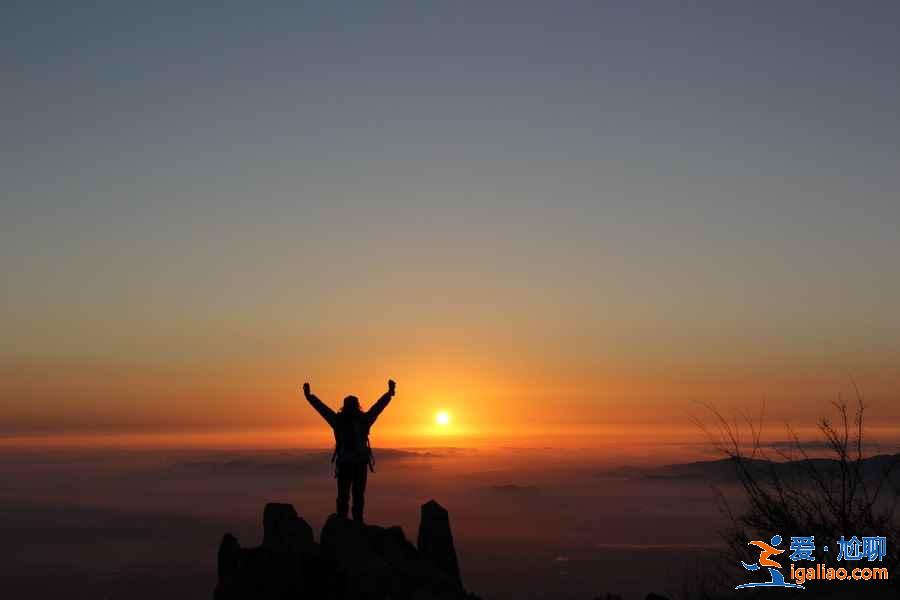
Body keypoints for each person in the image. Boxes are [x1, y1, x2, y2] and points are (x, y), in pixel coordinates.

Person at [302, 379, 396, 522]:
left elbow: (322, 408)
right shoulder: (363, 420)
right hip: (359, 464)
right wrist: (389, 394)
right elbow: (378, 408)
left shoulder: (338, 421)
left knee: (344, 496)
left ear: (344, 407)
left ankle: (342, 522)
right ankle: (356, 522)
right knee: (357, 496)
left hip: (346, 464)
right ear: (358, 406)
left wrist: (309, 396)